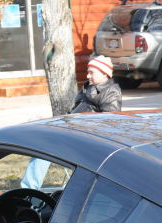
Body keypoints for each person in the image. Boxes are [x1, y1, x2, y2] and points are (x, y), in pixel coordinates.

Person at [21, 55, 123, 190]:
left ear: (104, 73)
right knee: (34, 121)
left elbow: (109, 124)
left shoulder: (111, 93)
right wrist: (53, 120)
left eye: (91, 72)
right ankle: (28, 183)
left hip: (84, 139)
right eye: (88, 72)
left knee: (45, 144)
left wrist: (77, 126)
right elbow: (73, 114)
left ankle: (28, 189)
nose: (87, 76)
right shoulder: (89, 88)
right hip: (72, 129)